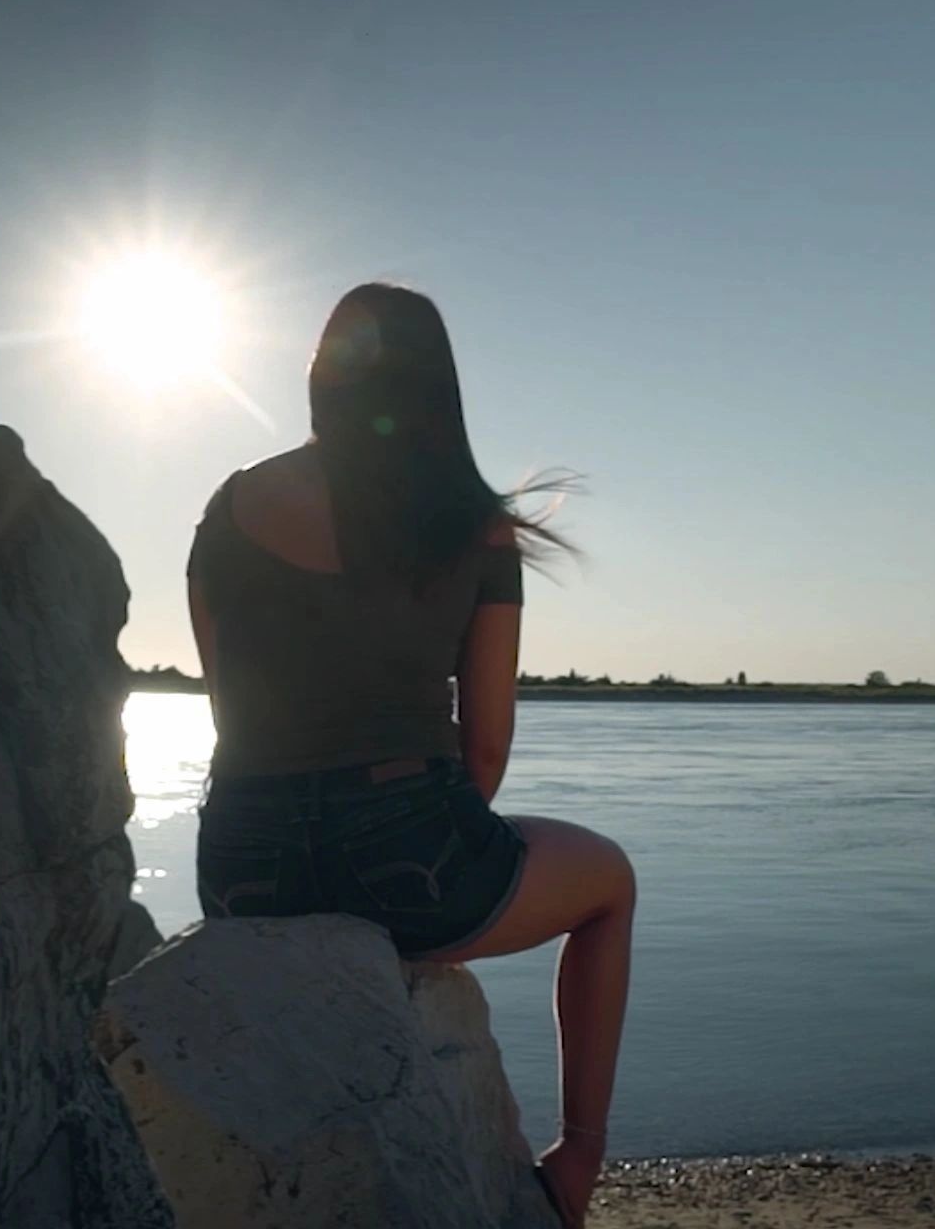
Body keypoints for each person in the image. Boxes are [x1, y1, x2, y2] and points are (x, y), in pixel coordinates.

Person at [186, 284, 634, 1226]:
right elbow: (488, 741)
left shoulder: (230, 508)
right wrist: (436, 856)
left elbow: (230, 712)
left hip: (239, 870)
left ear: (321, 377)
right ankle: (582, 1156)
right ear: (440, 387)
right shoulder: (473, 522)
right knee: (610, 883)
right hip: (409, 853)